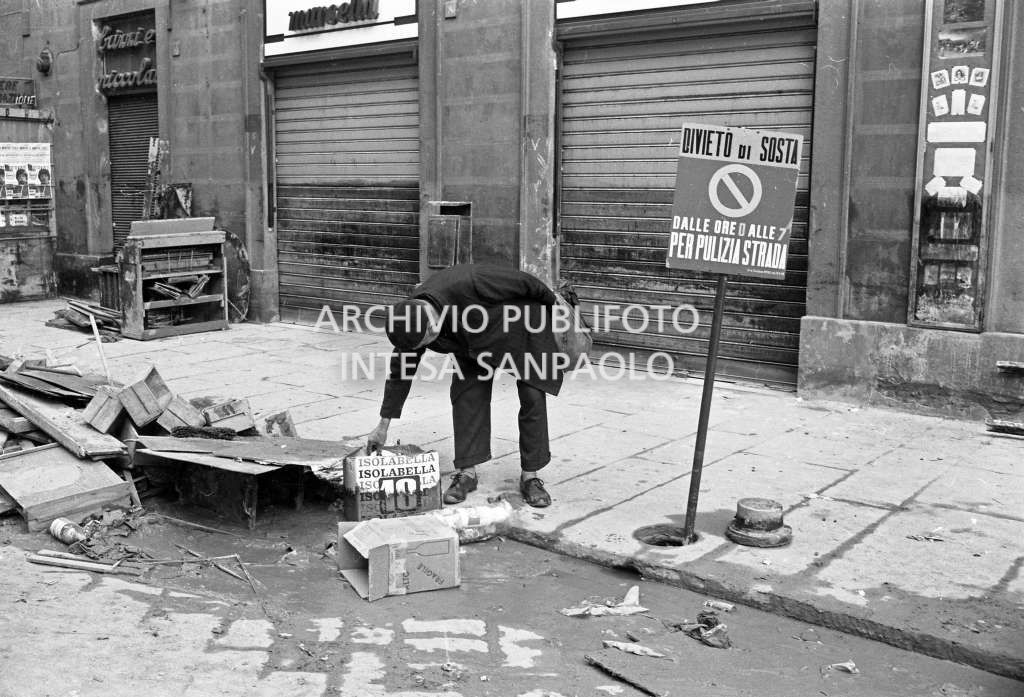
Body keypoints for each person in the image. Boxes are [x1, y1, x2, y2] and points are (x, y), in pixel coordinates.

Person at [366, 264, 565, 508]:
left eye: (428, 343)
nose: (427, 349)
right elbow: (401, 369)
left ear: (433, 327)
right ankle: (467, 473)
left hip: (520, 326)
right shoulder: (411, 318)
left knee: (532, 395)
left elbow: (527, 282)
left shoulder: (472, 280)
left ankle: (531, 477)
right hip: (471, 341)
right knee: (466, 395)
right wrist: (383, 424)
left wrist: (554, 309)